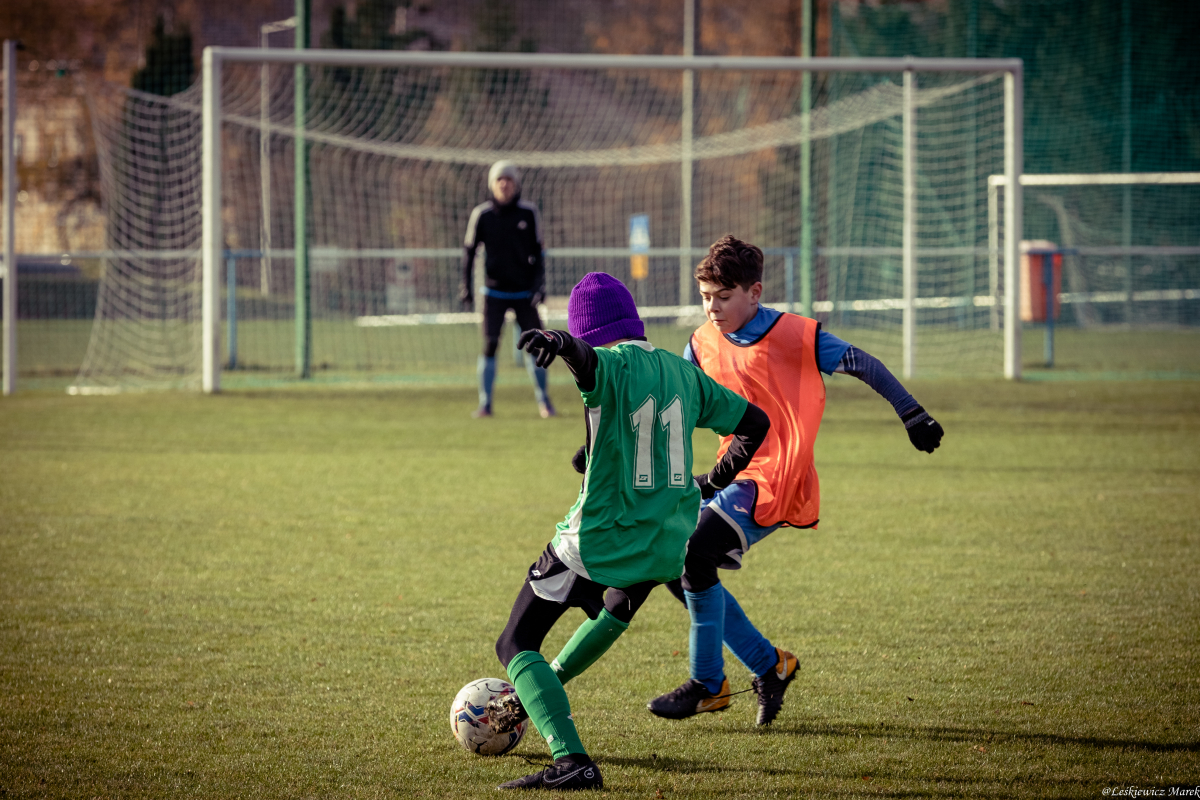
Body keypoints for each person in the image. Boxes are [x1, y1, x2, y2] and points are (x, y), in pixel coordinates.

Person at [639, 234, 946, 727]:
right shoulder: (700, 343)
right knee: (677, 562)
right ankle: (769, 665)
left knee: (693, 552)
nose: (712, 307)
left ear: (754, 293)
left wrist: (912, 413)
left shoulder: (794, 334)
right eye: (705, 297)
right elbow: (668, 399)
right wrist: (608, 444)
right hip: (732, 472)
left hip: (779, 476)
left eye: (724, 296)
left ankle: (707, 684)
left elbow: (862, 363)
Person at [489, 272, 770, 790]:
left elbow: (587, 360)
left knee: (515, 642)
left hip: (598, 541)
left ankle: (570, 759)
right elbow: (755, 424)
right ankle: (535, 697)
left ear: (589, 331)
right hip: (666, 546)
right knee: (615, 607)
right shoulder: (680, 372)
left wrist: (561, 342)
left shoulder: (608, 363)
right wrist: (711, 482)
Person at [460, 161, 555, 418]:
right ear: (492, 185)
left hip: (525, 294)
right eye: (499, 180)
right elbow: (469, 251)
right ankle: (485, 404)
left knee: (537, 345)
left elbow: (539, 253)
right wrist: (466, 286)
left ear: (516, 184)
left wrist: (539, 286)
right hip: (494, 293)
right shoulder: (482, 215)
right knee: (490, 344)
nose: (504, 184)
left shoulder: (529, 213)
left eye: (509, 180)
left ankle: (545, 403)